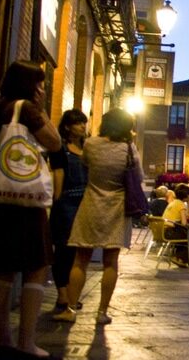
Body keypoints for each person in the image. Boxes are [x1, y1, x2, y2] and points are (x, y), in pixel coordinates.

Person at [0, 61, 63, 360]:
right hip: (26, 201)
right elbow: (53, 142)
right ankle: (27, 342)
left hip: (0, 198)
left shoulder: (0, 108)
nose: (43, 88)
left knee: (4, 271)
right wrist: (41, 109)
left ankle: (4, 340)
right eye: (39, 82)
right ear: (30, 84)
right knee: (37, 265)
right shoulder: (27, 109)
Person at [57, 108, 142, 326]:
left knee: (80, 259)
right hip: (117, 207)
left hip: (91, 204)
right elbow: (138, 177)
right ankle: (102, 312)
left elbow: (86, 165)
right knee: (110, 261)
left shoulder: (91, 144)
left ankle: (70, 308)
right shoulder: (129, 149)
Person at [48, 110, 89, 315]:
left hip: (85, 203)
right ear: (67, 126)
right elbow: (57, 173)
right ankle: (62, 294)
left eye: (84, 123)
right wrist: (56, 201)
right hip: (65, 202)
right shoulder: (59, 148)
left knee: (78, 252)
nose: (83, 126)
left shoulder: (87, 149)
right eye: (78, 123)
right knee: (63, 250)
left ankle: (72, 293)